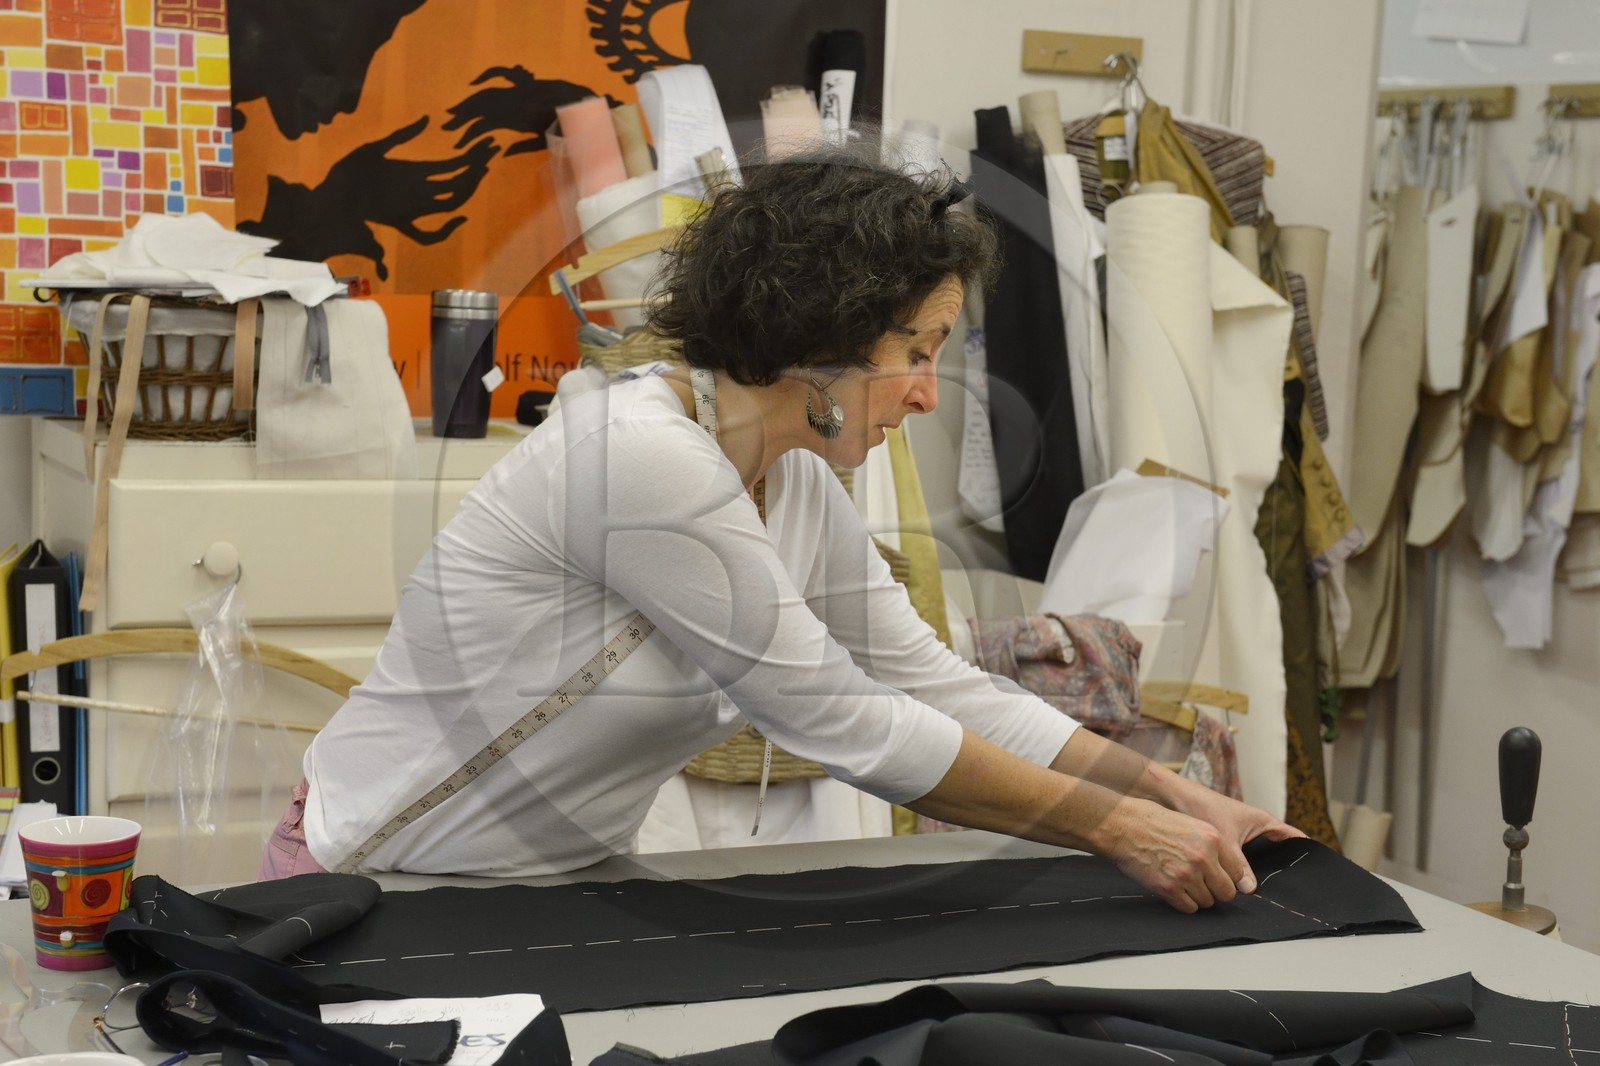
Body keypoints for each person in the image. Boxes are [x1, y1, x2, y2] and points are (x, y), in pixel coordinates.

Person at [260, 144, 1302, 912]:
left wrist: (1180, 796)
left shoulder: (796, 485)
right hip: (370, 884)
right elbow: (843, 719)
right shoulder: (638, 458)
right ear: (823, 330)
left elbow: (934, 685)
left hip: (543, 895)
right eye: (918, 349)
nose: (929, 395)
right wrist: (1121, 830)